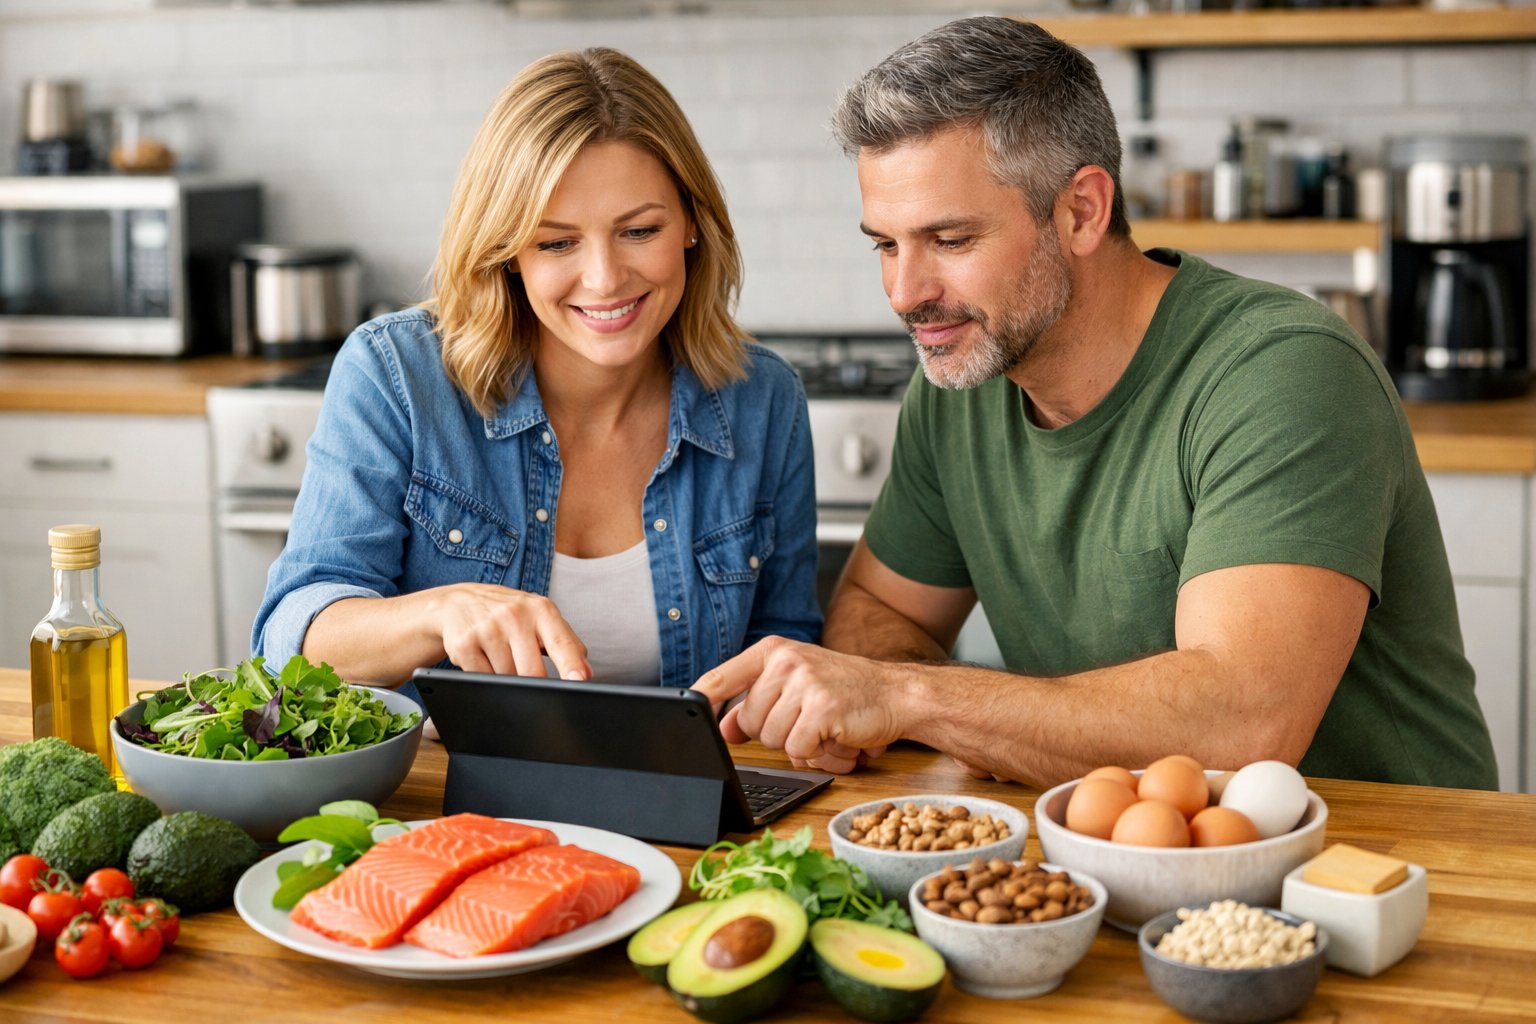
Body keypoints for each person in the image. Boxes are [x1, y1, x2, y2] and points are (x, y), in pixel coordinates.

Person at [693, 16, 1498, 790]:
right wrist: (905, 694)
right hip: (1111, 863)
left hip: (1381, 872)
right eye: (885, 244)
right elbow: (877, 609)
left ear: (1082, 210)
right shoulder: (963, 382)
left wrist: (909, 697)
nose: (906, 294)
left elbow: (1245, 724)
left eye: (950, 240)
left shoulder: (1281, 371)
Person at [255, 48, 821, 691]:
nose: (605, 279)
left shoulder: (764, 399)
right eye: (556, 243)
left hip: (686, 791)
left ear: (692, 223)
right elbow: (290, 645)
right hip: (443, 791)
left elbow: (788, 644)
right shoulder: (397, 376)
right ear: (507, 253)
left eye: (639, 231)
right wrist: (440, 614)